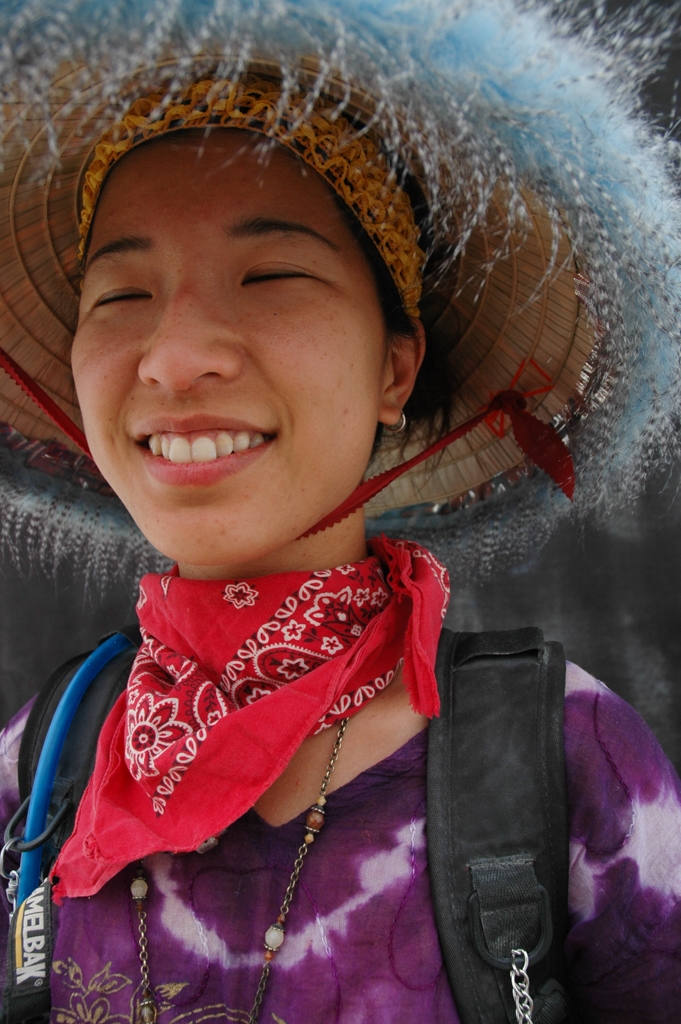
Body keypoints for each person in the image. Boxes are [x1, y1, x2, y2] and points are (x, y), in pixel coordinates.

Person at [0, 2, 679, 1022]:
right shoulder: (32, 774)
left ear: (394, 366)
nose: (176, 357)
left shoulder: (575, 763)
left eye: (270, 276)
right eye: (121, 296)